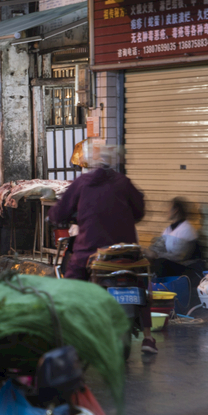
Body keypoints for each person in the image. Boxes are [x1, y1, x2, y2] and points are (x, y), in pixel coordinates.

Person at [47, 144, 159, 354]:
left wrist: (53, 217)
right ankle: (148, 337)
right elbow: (140, 210)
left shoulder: (82, 183)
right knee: (140, 282)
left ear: (90, 162)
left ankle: (68, 334)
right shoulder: (123, 182)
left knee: (71, 284)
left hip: (90, 251)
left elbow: (60, 212)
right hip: (126, 251)